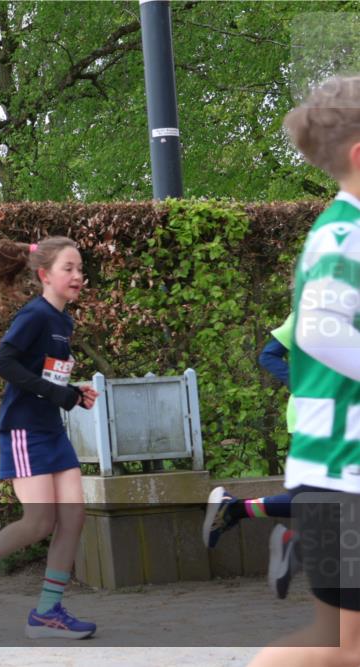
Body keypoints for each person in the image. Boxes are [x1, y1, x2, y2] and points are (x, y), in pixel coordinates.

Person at [248, 75, 360, 667]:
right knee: (344, 648)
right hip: (343, 477)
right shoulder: (344, 235)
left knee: (338, 644)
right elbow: (317, 331)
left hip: (337, 475)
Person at [0, 236, 98, 640]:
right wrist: (58, 394)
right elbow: (3, 362)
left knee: (74, 517)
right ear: (45, 275)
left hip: (51, 430)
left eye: (80, 269)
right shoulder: (36, 315)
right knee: (39, 521)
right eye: (68, 268)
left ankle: (46, 612)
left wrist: (72, 392)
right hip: (25, 431)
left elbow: (44, 377)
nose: (77, 275)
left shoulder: (62, 321)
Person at [202, 311, 296, 599]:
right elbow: (269, 355)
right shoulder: (312, 311)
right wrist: (304, 385)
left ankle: (236, 510)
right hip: (319, 421)